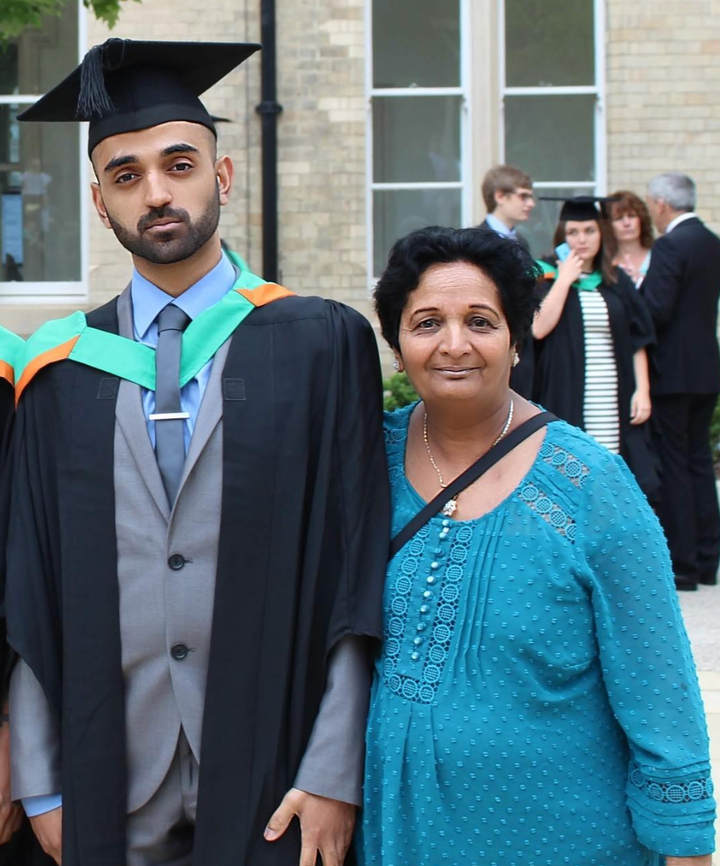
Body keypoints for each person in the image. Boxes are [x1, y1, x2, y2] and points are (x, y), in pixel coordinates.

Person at [6, 38, 390, 866]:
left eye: (179, 164)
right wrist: (40, 785)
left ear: (222, 175)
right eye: (125, 174)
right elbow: (28, 580)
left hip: (279, 777)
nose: (156, 192)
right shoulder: (61, 368)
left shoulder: (321, 344)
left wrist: (334, 772)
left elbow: (354, 569)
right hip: (104, 781)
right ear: (100, 201)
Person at [356, 224, 715, 866]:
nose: (454, 344)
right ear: (396, 341)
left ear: (518, 339)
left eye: (481, 321)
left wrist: (686, 845)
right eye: (427, 322)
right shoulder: (360, 465)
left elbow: (660, 687)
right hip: (400, 834)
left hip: (562, 837)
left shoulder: (591, 486)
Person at [531, 195, 658, 498]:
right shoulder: (546, 277)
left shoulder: (615, 281)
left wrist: (643, 390)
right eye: (573, 233)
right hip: (568, 391)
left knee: (612, 467)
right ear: (563, 236)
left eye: (590, 231)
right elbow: (537, 329)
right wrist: (565, 279)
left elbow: (637, 339)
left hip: (613, 393)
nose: (582, 240)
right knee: (572, 473)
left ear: (602, 234)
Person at [643, 172, 720, 592]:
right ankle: (708, 560)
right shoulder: (711, 242)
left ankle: (684, 564)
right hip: (707, 367)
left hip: (672, 372)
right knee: (699, 463)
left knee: (675, 465)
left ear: (660, 204)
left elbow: (657, 309)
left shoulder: (671, 244)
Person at [478, 164, 535, 250]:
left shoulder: (521, 242)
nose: (531, 203)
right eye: (523, 196)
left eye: (530, 197)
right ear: (500, 197)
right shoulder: (477, 241)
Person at [609, 189, 654, 288]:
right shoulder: (606, 265)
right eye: (619, 218)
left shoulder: (657, 257)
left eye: (632, 216)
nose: (627, 223)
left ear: (641, 220)